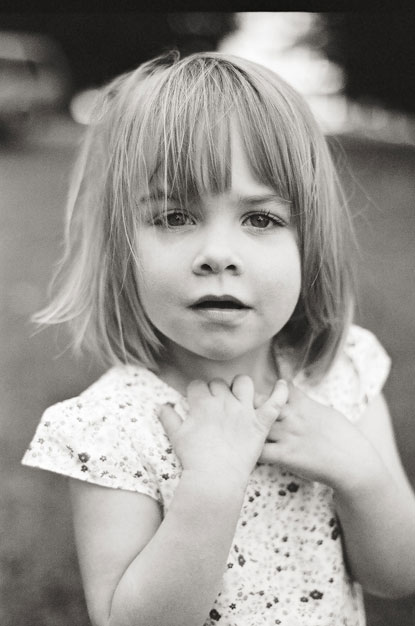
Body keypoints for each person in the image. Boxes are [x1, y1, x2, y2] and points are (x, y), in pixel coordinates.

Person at [22, 51, 415, 626]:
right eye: (174, 217)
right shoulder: (113, 428)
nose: (217, 255)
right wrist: (210, 486)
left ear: (311, 244)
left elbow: (396, 576)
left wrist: (363, 476)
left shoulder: (339, 376)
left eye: (260, 219)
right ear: (120, 249)